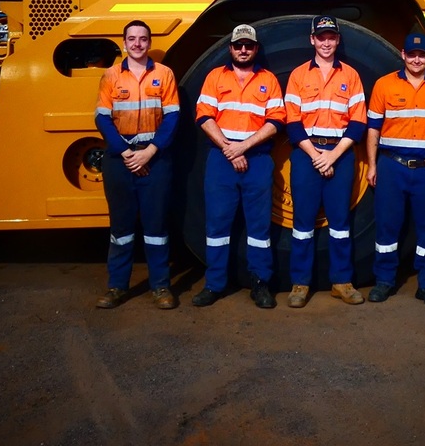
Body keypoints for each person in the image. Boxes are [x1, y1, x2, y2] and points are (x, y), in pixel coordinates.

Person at [192, 24, 286, 309]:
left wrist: (242, 148)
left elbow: (276, 120)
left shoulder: (268, 80)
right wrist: (229, 149)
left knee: (259, 228)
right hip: (222, 160)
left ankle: (260, 284)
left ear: (256, 48)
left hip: (256, 159)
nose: (243, 50)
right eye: (238, 45)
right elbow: (204, 116)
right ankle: (214, 284)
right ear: (230, 48)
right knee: (217, 226)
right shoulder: (214, 78)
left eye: (248, 45)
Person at [366, 32, 425, 309]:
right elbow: (373, 128)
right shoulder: (384, 85)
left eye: (422, 55)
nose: (417, 59)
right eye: (412, 54)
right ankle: (384, 281)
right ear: (403, 54)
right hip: (392, 166)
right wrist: (373, 165)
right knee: (387, 227)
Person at [94, 20, 180, 310]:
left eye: (143, 39)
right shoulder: (111, 76)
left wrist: (150, 151)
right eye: (132, 39)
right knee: (121, 229)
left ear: (149, 41)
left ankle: (161, 288)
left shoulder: (165, 74)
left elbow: (172, 117)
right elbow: (102, 119)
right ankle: (117, 287)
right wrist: (127, 153)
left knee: (156, 228)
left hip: (155, 159)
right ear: (124, 43)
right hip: (121, 161)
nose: (138, 44)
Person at [284, 16, 368, 308]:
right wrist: (317, 155)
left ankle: (342, 282)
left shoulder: (351, 76)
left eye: (331, 37)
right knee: (303, 223)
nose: (326, 42)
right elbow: (292, 123)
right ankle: (300, 284)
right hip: (307, 154)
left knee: (341, 223)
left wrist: (332, 155)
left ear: (337, 39)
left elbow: (358, 122)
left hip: (340, 154)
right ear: (312, 40)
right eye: (321, 37)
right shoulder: (298, 75)